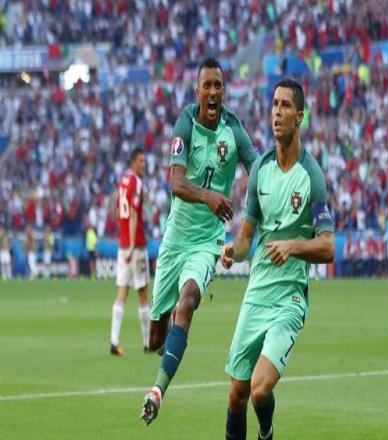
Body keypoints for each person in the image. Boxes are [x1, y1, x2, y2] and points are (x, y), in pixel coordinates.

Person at [140, 57, 257, 425]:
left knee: (188, 301)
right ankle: (170, 336)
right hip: (175, 239)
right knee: (155, 339)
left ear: (224, 91)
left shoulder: (233, 129)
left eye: (218, 85)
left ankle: (157, 392)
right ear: (197, 91)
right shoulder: (185, 123)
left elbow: (257, 170)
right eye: (207, 85)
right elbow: (175, 182)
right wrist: (208, 197)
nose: (213, 91)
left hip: (207, 242)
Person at [221, 78, 334, 440]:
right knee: (236, 395)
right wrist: (233, 251)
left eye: (285, 106)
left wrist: (293, 246)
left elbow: (328, 246)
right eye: (274, 104)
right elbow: (246, 238)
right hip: (257, 293)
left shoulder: (311, 176)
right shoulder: (260, 170)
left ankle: (266, 431)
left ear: (299, 116)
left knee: (259, 389)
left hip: (289, 299)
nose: (277, 112)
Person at [110, 147, 150, 356]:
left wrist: (124, 237)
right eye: (141, 161)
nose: (144, 164)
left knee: (122, 293)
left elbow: (117, 211)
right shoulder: (136, 182)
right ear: (134, 162)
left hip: (123, 245)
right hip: (136, 247)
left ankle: (114, 341)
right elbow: (133, 214)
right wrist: (133, 245)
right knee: (143, 294)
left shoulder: (123, 180)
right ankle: (148, 343)